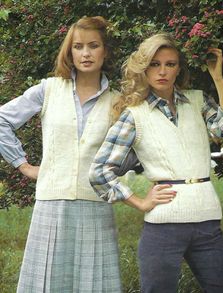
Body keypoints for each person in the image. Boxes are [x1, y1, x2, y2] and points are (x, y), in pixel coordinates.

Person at [0, 16, 138, 293]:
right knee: (47, 282)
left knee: (94, 284)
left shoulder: (119, 100)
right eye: (78, 46)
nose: (85, 53)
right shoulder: (48, 89)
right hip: (51, 203)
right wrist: (23, 165)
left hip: (96, 203)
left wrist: (114, 169)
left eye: (93, 45)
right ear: (70, 51)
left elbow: (134, 151)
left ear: (105, 51)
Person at [89, 32, 223, 292]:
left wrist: (218, 78)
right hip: (163, 227)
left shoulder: (198, 101)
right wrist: (140, 201)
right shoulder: (133, 115)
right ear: (144, 69)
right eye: (155, 64)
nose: (162, 71)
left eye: (170, 64)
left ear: (179, 69)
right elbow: (100, 171)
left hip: (207, 223)